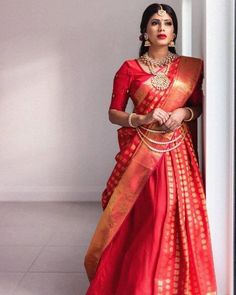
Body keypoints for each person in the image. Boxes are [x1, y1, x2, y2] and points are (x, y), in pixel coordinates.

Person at [84, 3, 217, 294]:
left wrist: (183, 114)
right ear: (144, 31)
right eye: (155, 23)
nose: (161, 28)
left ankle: (172, 284)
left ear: (174, 32)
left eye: (168, 23)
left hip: (178, 155)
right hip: (141, 155)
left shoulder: (191, 68)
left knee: (173, 215)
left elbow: (198, 106)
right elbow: (113, 112)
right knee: (145, 217)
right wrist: (141, 118)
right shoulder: (129, 69)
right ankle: (137, 284)